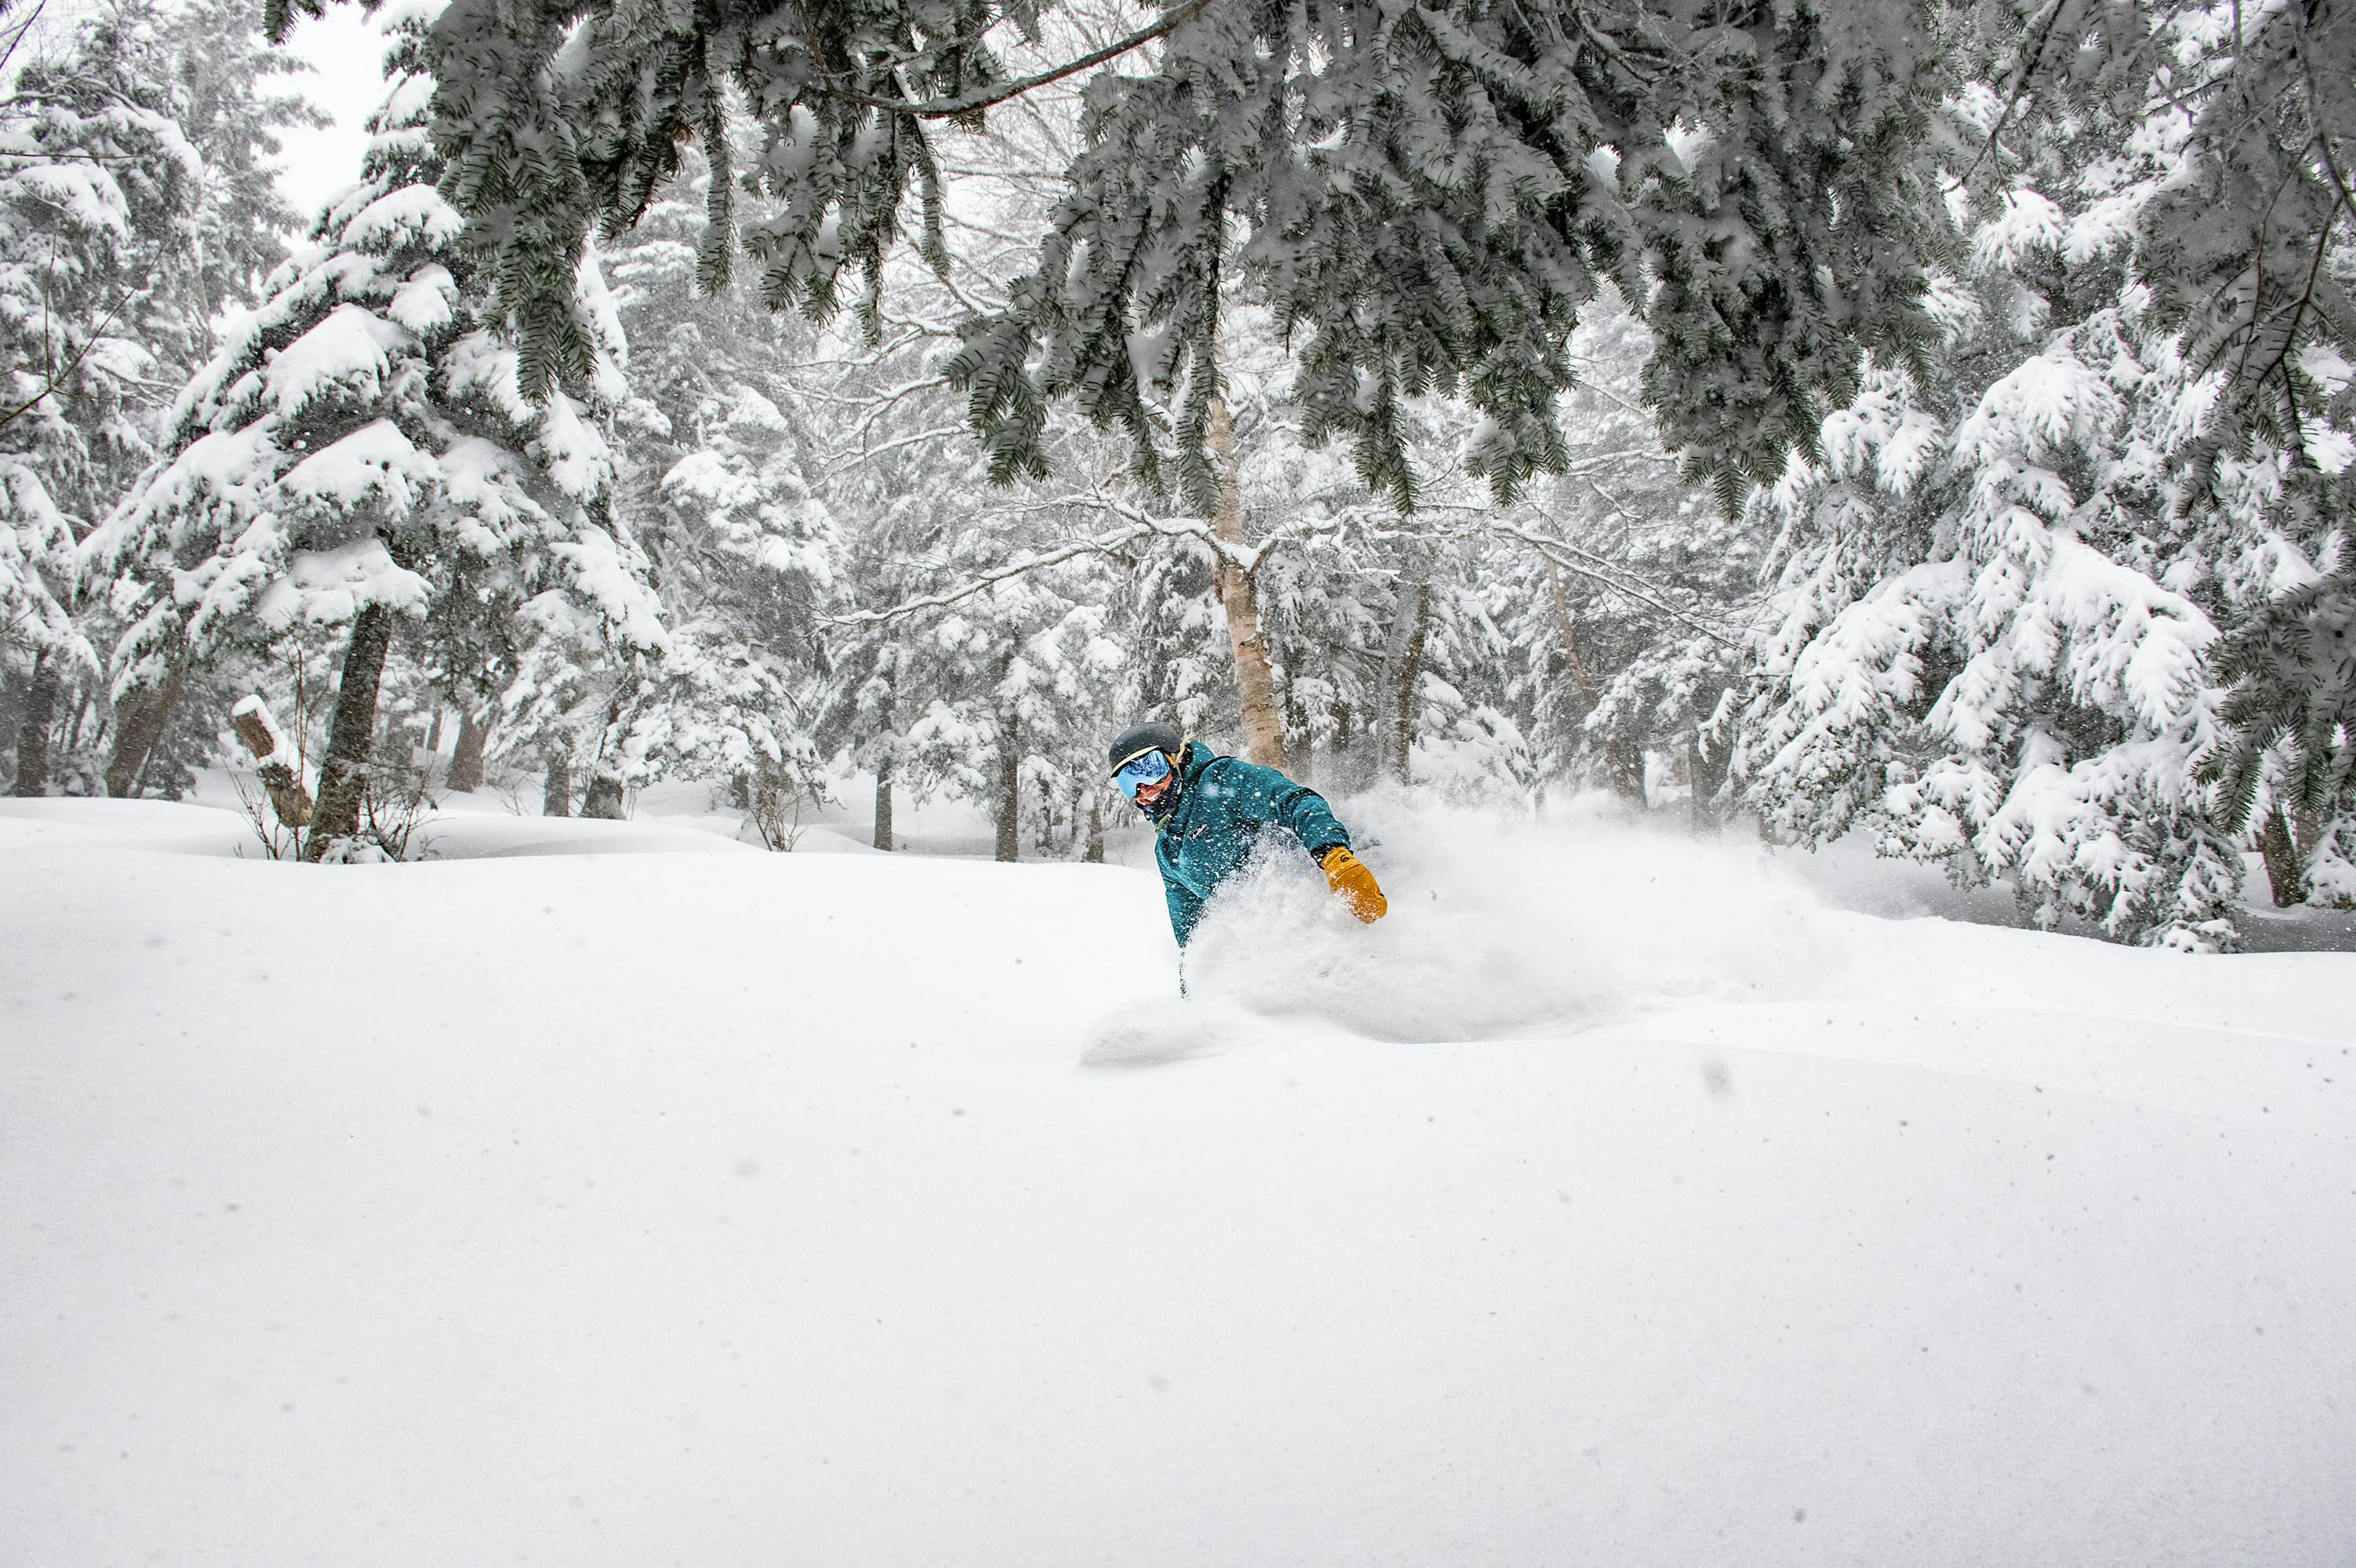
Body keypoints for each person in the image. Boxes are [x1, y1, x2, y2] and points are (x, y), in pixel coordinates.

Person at [1106, 720, 1387, 950]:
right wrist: (1194, 994)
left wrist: (1334, 856)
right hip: (1278, 942)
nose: (1143, 787)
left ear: (1175, 758)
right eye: (1128, 782)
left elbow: (1295, 802)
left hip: (1331, 890)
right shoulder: (1168, 853)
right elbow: (1192, 938)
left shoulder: (1222, 780)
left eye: (1149, 769)